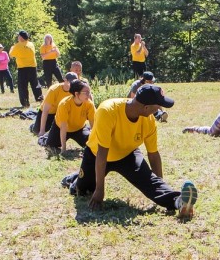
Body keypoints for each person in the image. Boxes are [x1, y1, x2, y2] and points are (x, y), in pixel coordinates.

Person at [61, 85, 199, 219]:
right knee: (81, 191)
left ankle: (180, 202)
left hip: (128, 155)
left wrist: (160, 185)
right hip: (97, 155)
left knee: (149, 181)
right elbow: (103, 152)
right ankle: (73, 179)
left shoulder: (149, 120)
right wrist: (99, 190)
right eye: (157, 107)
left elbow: (153, 154)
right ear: (145, 108)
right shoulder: (108, 111)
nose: (159, 110)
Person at [39, 80, 95, 157]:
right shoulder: (64, 104)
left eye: (89, 92)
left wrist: (94, 141)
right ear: (76, 94)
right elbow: (63, 127)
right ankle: (46, 136)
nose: (89, 95)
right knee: (50, 145)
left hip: (79, 129)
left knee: (91, 143)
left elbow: (93, 124)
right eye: (86, 93)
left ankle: (86, 131)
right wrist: (64, 149)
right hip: (61, 128)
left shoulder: (89, 104)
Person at [10, 30, 43, 108]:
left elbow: (11, 55)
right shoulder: (31, 44)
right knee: (35, 83)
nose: (17, 37)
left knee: (22, 86)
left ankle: (25, 102)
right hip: (32, 67)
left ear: (21, 37)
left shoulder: (17, 46)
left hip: (22, 68)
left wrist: (12, 48)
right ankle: (40, 99)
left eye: (18, 36)